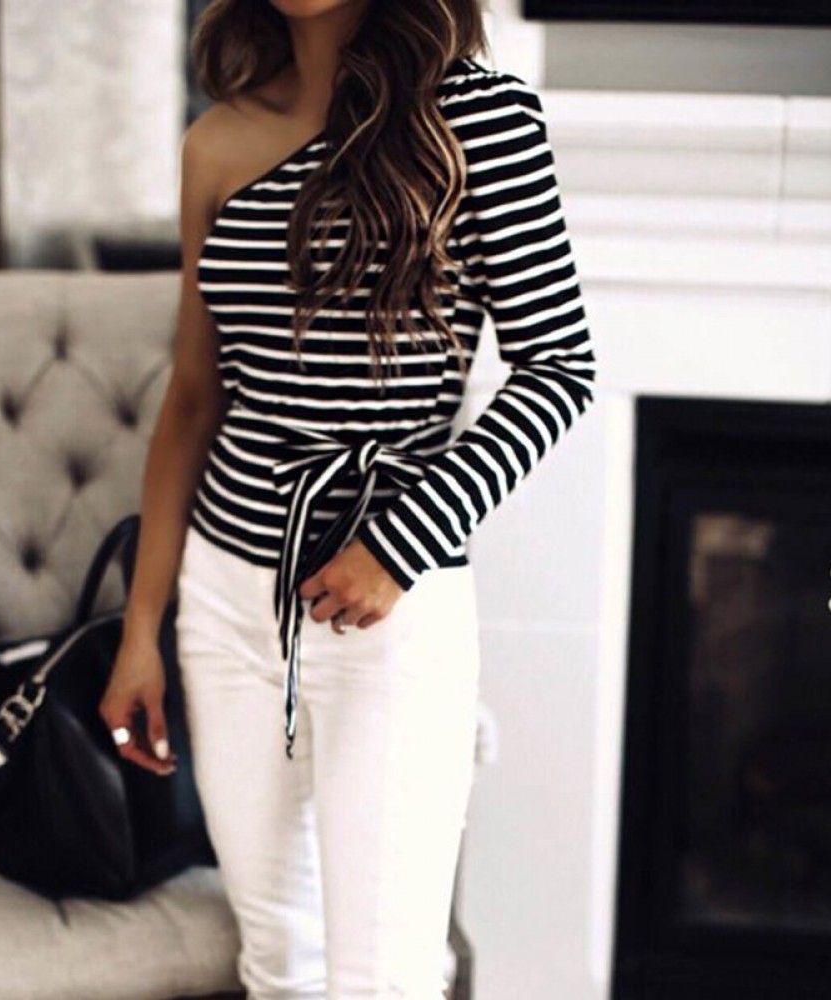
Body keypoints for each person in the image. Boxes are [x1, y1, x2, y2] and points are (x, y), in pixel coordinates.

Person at [100, 0, 598, 996]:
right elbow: (193, 398)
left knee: (384, 975)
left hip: (387, 606)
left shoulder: (481, 119)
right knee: (278, 960)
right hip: (228, 604)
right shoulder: (216, 140)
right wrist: (142, 627)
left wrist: (399, 545)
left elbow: (559, 369)